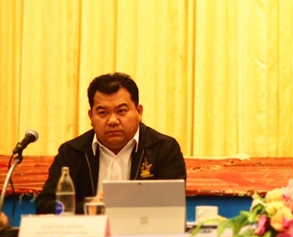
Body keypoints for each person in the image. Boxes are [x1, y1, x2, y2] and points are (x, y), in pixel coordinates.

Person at [36, 72, 187, 214]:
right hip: (89, 232)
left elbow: (172, 206)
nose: (113, 121)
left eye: (121, 111)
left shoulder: (163, 149)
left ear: (139, 112)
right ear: (91, 116)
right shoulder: (71, 153)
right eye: (103, 113)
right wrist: (87, 209)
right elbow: (45, 206)